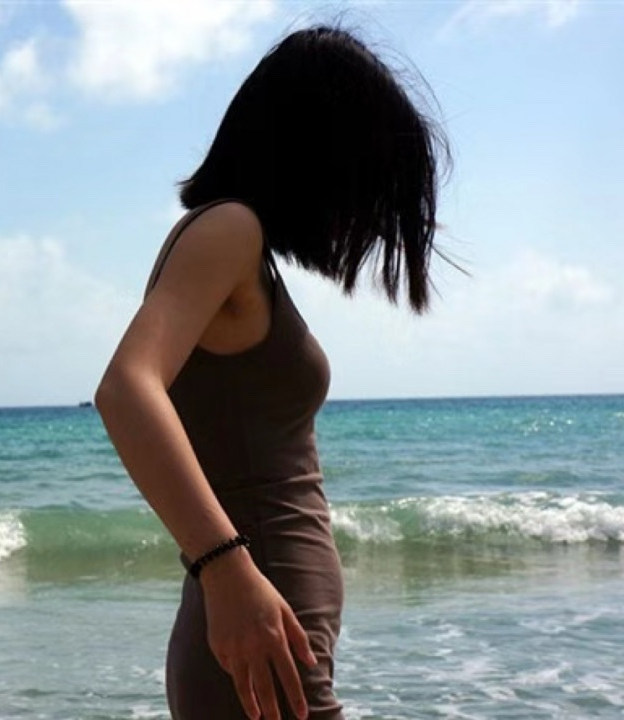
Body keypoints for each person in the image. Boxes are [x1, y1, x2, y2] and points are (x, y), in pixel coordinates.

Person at [94, 22, 453, 720]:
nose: (364, 209)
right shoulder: (230, 228)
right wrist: (227, 569)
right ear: (318, 150)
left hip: (266, 638)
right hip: (263, 641)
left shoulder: (236, 245)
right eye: (366, 175)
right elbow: (126, 388)